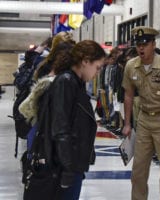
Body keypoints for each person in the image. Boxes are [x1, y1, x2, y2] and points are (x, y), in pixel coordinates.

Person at [122, 26, 160, 200]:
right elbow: (128, 95)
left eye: (145, 44)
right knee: (138, 170)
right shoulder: (131, 66)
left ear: (154, 44)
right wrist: (127, 123)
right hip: (144, 120)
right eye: (138, 44)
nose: (141, 48)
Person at [49, 40, 106, 199]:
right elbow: (61, 129)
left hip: (74, 163)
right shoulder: (66, 82)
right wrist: (68, 168)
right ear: (85, 61)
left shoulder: (76, 83)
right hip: (65, 166)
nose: (97, 73)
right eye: (97, 67)